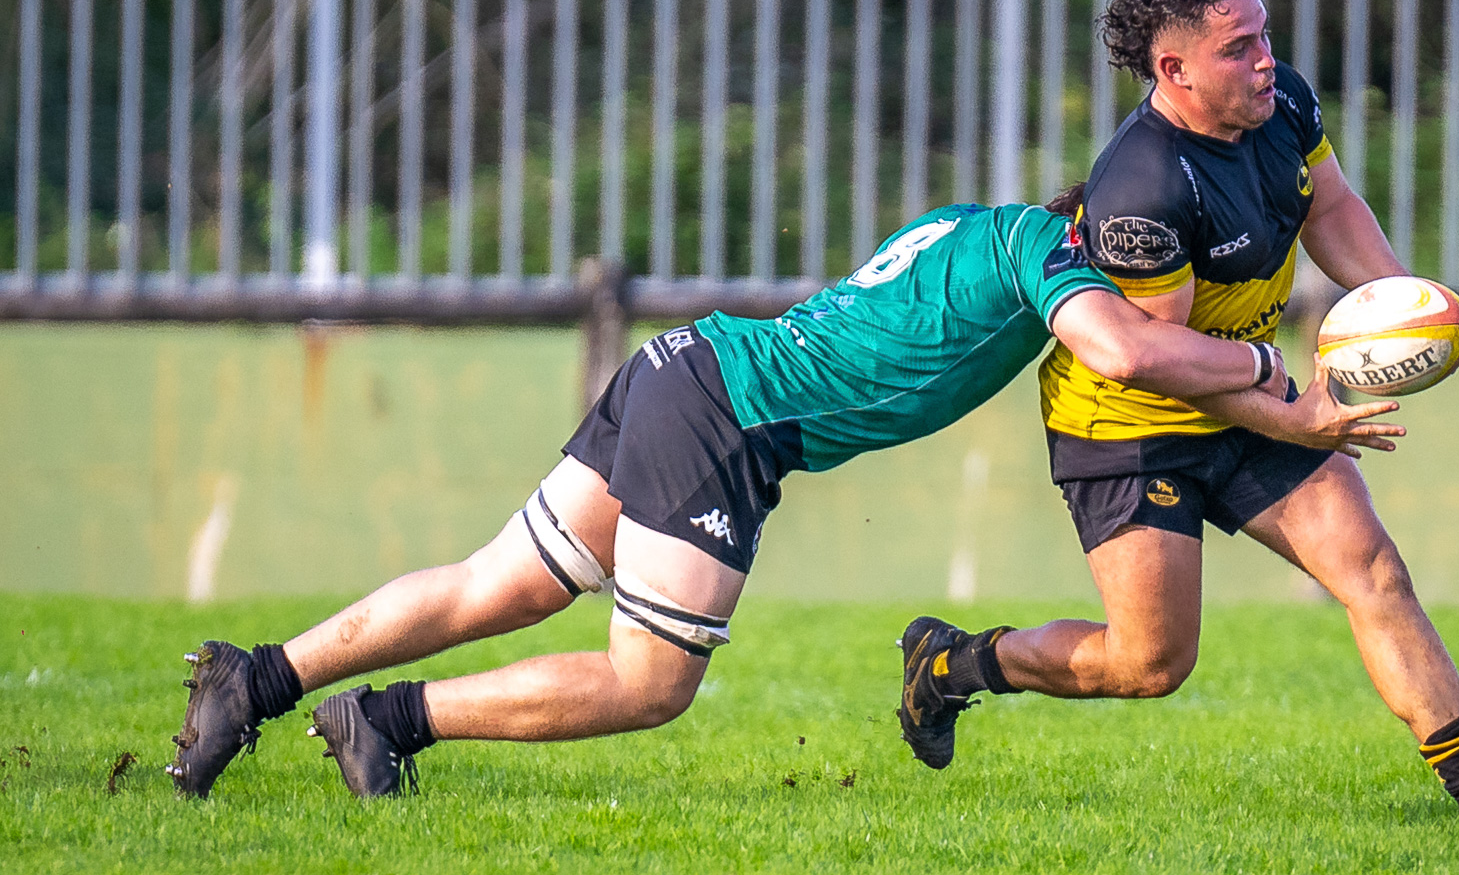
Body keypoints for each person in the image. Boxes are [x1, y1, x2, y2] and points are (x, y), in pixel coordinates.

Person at [167, 198, 1394, 799]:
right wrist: (1279, 379)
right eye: (1156, 267)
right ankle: (390, 718)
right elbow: (1123, 353)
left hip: (688, 364)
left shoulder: (972, 220)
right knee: (652, 681)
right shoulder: (1057, 254)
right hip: (729, 415)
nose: (1160, 288)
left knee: (502, 579)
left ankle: (257, 676)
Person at [896, 0, 1459, 818]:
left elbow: (1333, 207)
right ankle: (952, 664)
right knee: (1150, 665)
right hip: (1130, 420)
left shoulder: (1283, 106)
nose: (1265, 58)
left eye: (1263, 33)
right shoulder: (1145, 187)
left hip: (1246, 380)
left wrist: (1402, 304)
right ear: (1175, 70)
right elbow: (1167, 363)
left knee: (1373, 571)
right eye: (1238, 47)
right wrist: (1297, 421)